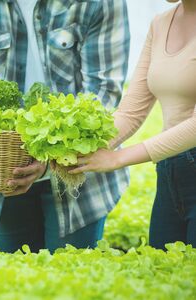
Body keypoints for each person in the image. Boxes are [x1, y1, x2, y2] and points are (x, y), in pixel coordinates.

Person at [0, 0, 130, 253]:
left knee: (69, 282)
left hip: (79, 173)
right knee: (9, 282)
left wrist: (46, 154)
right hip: (5, 168)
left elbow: (102, 94)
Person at [70, 0, 196, 249]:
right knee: (164, 276)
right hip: (171, 170)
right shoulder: (161, 23)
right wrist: (80, 149)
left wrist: (117, 158)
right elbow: (131, 112)